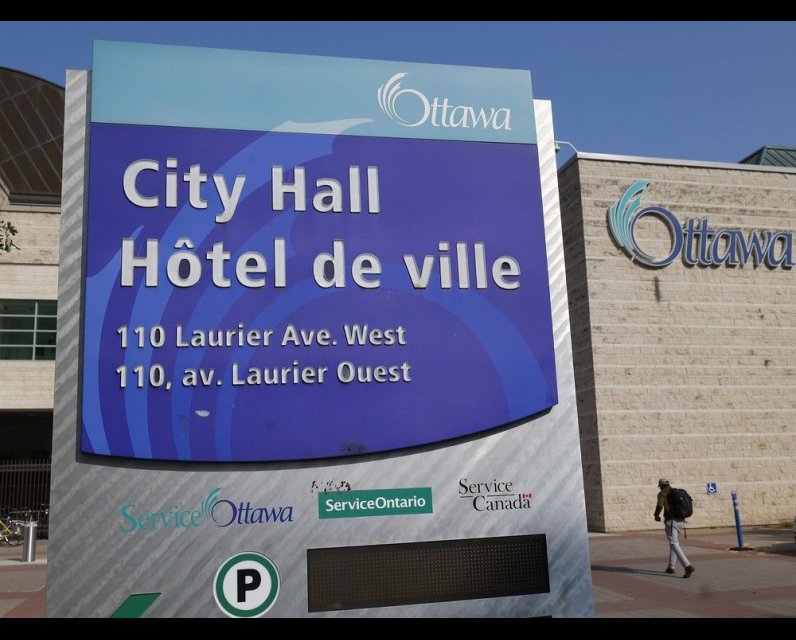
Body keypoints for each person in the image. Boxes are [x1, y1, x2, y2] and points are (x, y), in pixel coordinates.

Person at [654, 478, 695, 578]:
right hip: (680, 521)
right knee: (674, 543)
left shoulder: (662, 493)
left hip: (671, 522)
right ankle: (671, 567)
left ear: (661, 486)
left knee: (674, 543)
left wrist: (656, 515)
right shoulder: (675, 492)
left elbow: (659, 505)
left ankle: (687, 566)